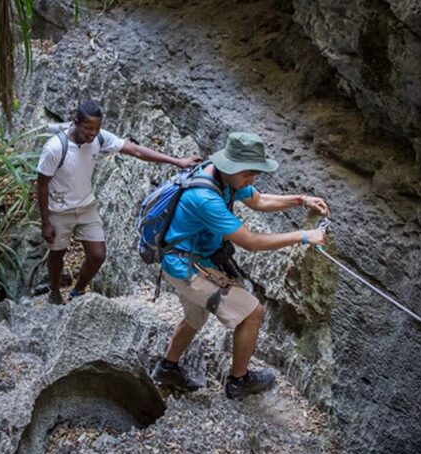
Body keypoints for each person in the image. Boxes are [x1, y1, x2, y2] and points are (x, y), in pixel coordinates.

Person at [150, 132, 329, 400]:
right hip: (186, 267)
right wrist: (304, 236)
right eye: (248, 174)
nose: (252, 179)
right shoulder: (205, 198)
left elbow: (259, 200)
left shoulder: (219, 176)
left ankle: (167, 368)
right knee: (252, 313)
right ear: (231, 167)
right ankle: (238, 381)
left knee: (195, 317)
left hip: (185, 259)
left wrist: (300, 200)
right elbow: (251, 242)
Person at [37, 100, 202, 303]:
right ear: (76, 123)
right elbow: (42, 185)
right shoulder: (55, 148)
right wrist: (45, 222)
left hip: (86, 206)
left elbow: (136, 151)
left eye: (96, 129)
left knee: (98, 255)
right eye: (88, 128)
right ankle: (54, 292)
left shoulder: (99, 138)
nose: (92, 133)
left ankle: (77, 292)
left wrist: (177, 162)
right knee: (57, 253)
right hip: (59, 210)